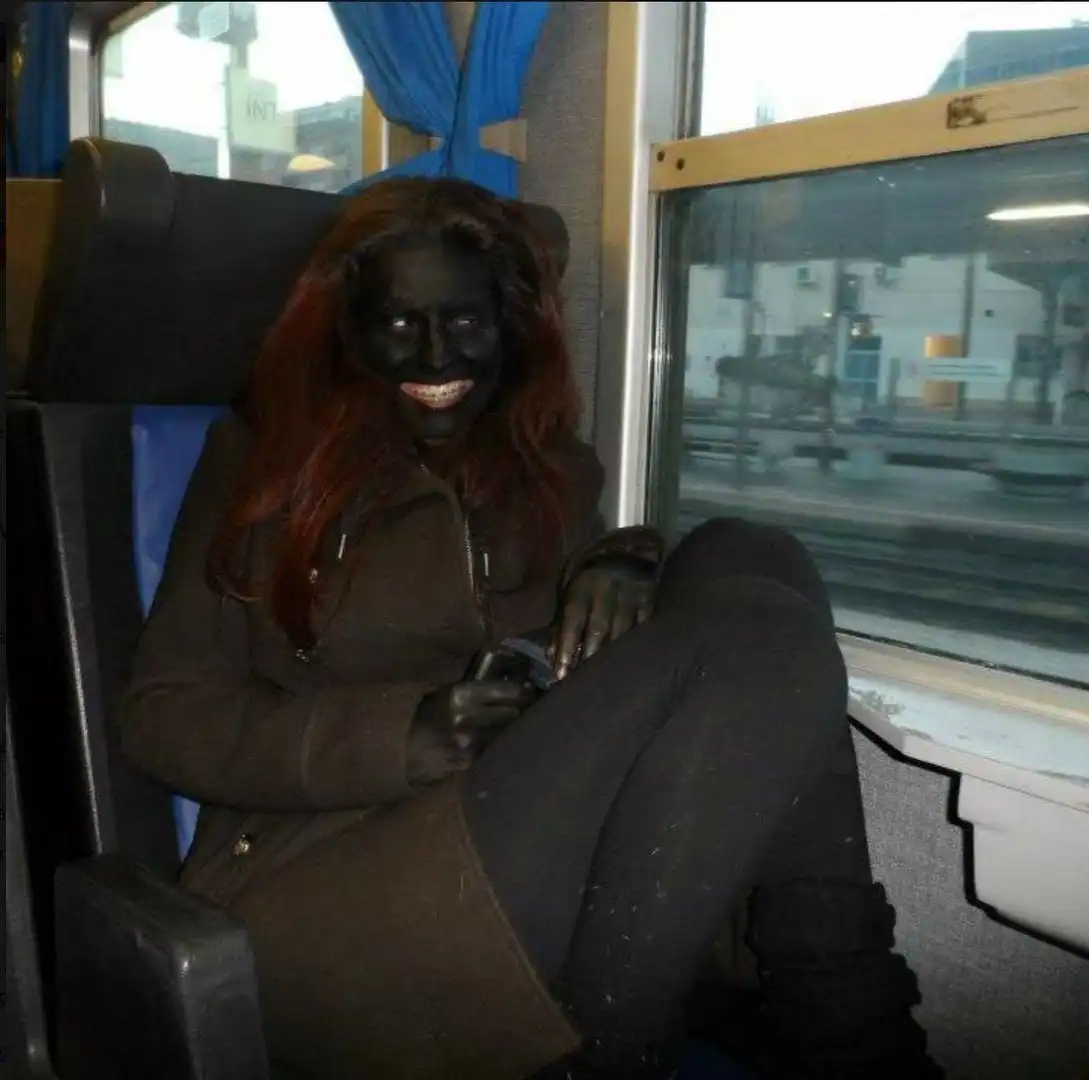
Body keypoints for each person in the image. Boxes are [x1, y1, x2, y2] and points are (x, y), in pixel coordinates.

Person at [119, 177, 941, 1080]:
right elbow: (164, 714)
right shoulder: (263, 464)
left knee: (754, 554)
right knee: (755, 630)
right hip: (328, 874)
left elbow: (614, 660)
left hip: (518, 824)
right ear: (346, 329)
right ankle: (697, 1041)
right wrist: (402, 733)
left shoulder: (543, 464)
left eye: (465, 321)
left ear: (509, 326)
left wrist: (623, 558)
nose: (436, 354)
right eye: (399, 323)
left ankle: (831, 1000)